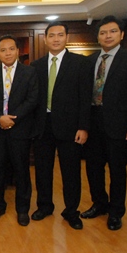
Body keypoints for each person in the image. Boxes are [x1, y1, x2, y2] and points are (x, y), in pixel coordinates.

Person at [81, 16, 127, 231]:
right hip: (92, 122)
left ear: (121, 34)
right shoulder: (89, 60)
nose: (107, 36)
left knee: (117, 170)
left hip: (119, 124)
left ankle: (116, 211)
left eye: (112, 31)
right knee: (93, 167)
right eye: (103, 32)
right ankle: (99, 203)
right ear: (98, 37)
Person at [31, 22, 92, 230]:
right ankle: (44, 206)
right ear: (45, 39)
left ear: (67, 37)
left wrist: (83, 127)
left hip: (71, 127)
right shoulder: (36, 66)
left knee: (71, 172)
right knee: (42, 170)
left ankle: (71, 211)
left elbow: (85, 98)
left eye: (60, 35)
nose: (56, 39)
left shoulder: (80, 63)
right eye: (51, 35)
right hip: (42, 126)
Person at [0, 35, 38, 226]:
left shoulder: (29, 72)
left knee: (21, 170)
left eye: (11, 49)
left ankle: (22, 209)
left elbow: (32, 99)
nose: (7, 53)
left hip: (20, 129)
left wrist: (12, 119)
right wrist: (0, 117)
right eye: (3, 50)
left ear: (17, 51)